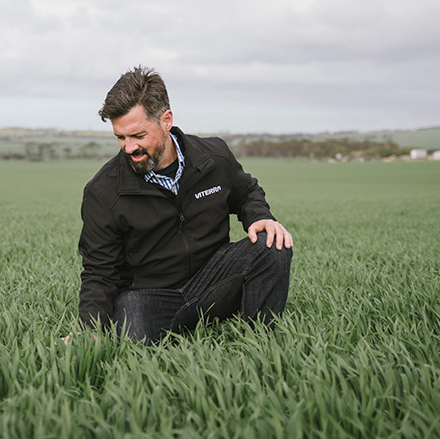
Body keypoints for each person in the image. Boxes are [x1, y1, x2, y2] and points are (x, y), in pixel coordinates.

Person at [77, 66, 293, 344]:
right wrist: (89, 331)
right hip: (148, 296)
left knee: (272, 244)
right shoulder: (102, 191)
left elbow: (246, 191)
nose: (129, 148)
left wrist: (259, 217)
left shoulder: (214, 156)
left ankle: (259, 342)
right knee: (132, 341)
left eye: (138, 136)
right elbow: (98, 271)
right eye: (121, 137)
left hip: (213, 280)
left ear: (166, 120)